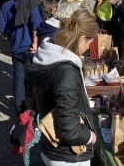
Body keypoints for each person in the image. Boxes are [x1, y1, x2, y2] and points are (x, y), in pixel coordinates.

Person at [25, 9, 98, 165]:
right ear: (82, 39)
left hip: (52, 146)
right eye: (89, 43)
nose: (88, 48)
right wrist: (89, 137)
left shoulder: (48, 57)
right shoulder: (66, 71)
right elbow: (69, 128)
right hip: (67, 155)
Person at [0, 0, 43, 113]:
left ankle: (20, 110)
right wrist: (35, 42)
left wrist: (8, 34)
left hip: (17, 45)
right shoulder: (32, 3)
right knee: (35, 77)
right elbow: (36, 24)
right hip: (31, 46)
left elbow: (1, 25)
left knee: (18, 77)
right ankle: (35, 107)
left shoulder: (6, 6)